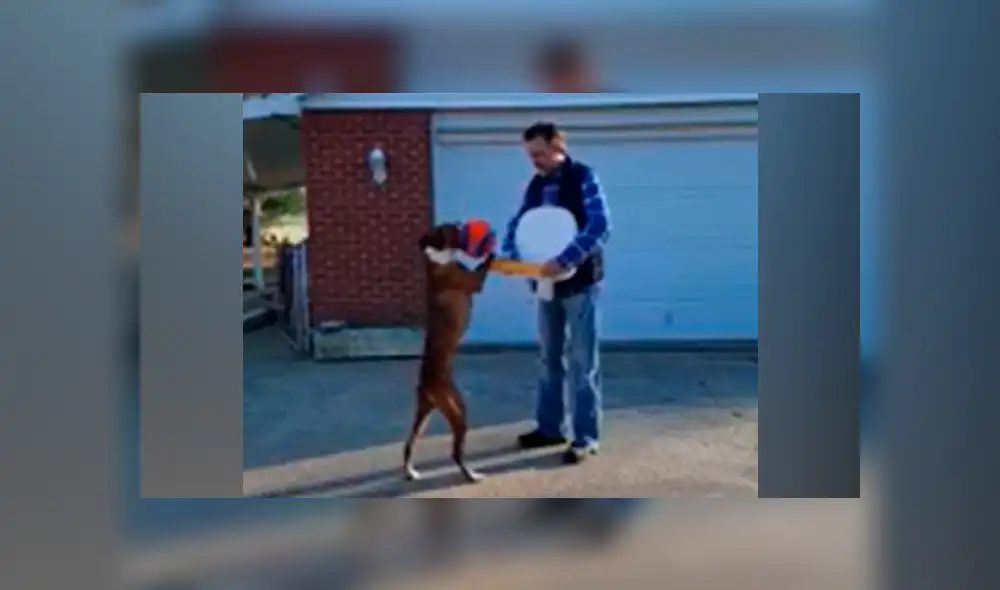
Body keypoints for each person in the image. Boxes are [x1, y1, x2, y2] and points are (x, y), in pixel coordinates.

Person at [501, 121, 611, 464]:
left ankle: (586, 437)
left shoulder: (583, 177)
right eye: (529, 154)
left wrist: (564, 259)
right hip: (546, 285)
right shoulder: (535, 185)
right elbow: (518, 225)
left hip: (580, 283)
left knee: (582, 362)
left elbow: (600, 225)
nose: (533, 160)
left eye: (539, 153)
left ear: (558, 147)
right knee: (549, 359)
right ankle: (549, 428)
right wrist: (511, 256)